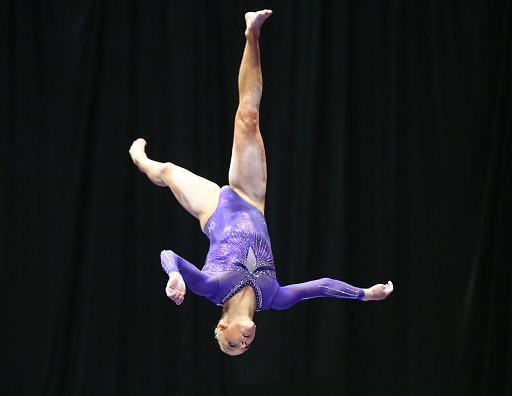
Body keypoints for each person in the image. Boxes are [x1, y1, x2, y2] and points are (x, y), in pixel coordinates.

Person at [129, 9, 393, 356]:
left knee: (165, 171)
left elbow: (170, 255)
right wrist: (366, 294)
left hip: (213, 210)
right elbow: (322, 287)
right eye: (245, 348)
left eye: (233, 344)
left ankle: (140, 159)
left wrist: (174, 277)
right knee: (249, 118)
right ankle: (252, 34)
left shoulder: (211, 288)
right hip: (251, 199)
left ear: (222, 327)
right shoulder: (274, 298)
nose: (245, 343)